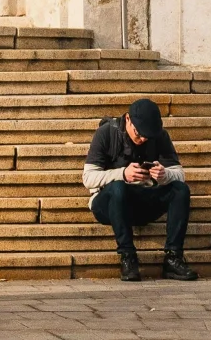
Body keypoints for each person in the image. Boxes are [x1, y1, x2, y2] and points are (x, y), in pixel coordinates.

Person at [82, 97, 199, 282]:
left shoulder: (159, 136)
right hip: (109, 204)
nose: (143, 138)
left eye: (147, 136)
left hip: (144, 202)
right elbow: (88, 179)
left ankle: (173, 258)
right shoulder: (106, 133)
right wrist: (122, 174)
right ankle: (128, 257)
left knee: (180, 189)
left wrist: (164, 175)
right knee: (118, 187)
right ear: (128, 119)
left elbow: (180, 174)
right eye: (139, 133)